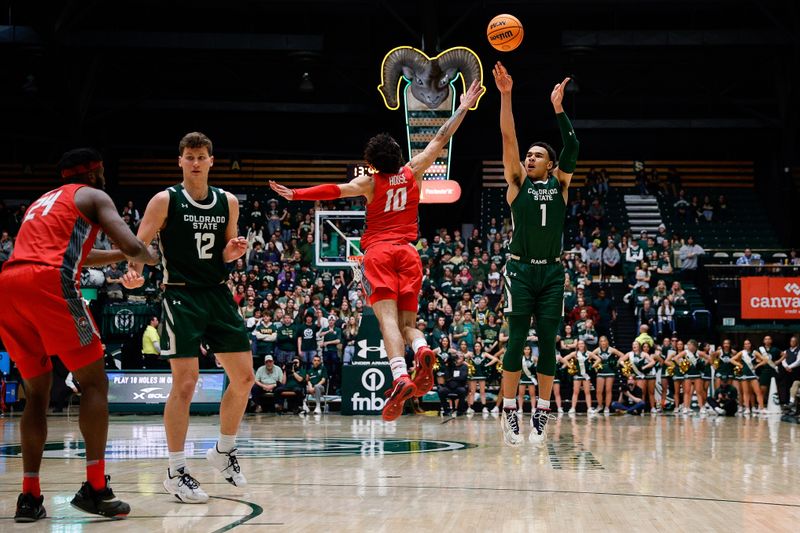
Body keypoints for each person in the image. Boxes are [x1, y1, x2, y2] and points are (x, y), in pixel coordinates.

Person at [270, 80, 485, 421]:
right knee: (408, 324)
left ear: (371, 162)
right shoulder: (413, 171)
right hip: (409, 253)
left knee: (386, 321)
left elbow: (332, 191)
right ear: (398, 156)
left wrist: (295, 194)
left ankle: (400, 374)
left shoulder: (370, 183)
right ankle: (422, 348)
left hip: (379, 253)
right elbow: (441, 137)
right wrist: (464, 105)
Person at [0, 148, 158, 522]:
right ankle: (95, 488)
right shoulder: (94, 195)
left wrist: (120, 261)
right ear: (96, 171)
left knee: (36, 393)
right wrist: (149, 256)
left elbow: (80, 255)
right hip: (47, 283)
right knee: (94, 383)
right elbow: (132, 244)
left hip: (9, 284)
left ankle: (29, 497)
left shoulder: (43, 202)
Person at [123, 132, 255, 503]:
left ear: (212, 161)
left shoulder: (227, 202)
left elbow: (226, 253)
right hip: (180, 293)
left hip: (217, 292)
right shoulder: (165, 200)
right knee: (186, 382)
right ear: (180, 161)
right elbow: (139, 245)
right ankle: (176, 471)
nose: (196, 162)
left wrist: (234, 250)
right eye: (189, 157)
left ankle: (222, 451)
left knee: (244, 378)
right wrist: (133, 272)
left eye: (201, 157)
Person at [491, 61, 579, 445]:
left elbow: (573, 145)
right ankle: (509, 409)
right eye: (528, 155)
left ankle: (542, 411)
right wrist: (506, 95)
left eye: (537, 155)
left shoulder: (561, 183)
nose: (529, 158)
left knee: (548, 341)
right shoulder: (517, 183)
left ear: (551, 163)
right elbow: (508, 137)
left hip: (553, 272)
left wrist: (558, 108)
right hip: (521, 270)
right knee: (514, 340)